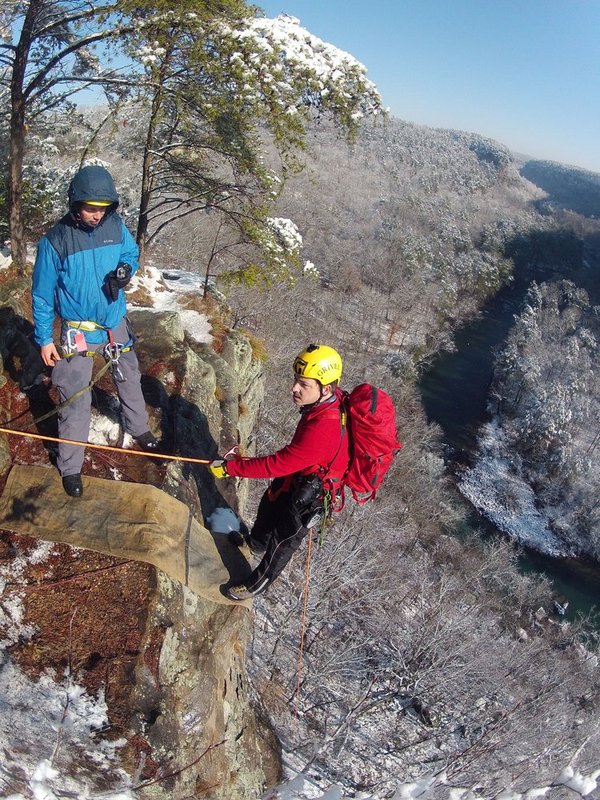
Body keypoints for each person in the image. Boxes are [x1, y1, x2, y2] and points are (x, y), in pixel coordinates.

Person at [32, 164, 159, 498]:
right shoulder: (55, 241)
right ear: (75, 204)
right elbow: (43, 295)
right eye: (90, 209)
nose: (96, 215)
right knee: (75, 397)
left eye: (102, 209)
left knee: (129, 375)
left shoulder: (115, 226)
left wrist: (125, 269)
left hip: (114, 320)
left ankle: (139, 428)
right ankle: (71, 466)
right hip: (77, 329)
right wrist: (44, 338)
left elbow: (130, 252)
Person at [209, 343, 350, 601]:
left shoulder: (323, 429)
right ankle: (255, 544)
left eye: (303, 384)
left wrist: (232, 467)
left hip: (313, 493)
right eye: (296, 380)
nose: (294, 388)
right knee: (270, 503)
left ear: (326, 388)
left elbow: (277, 463)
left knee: (284, 540)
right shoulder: (328, 403)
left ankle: (256, 584)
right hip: (303, 475)